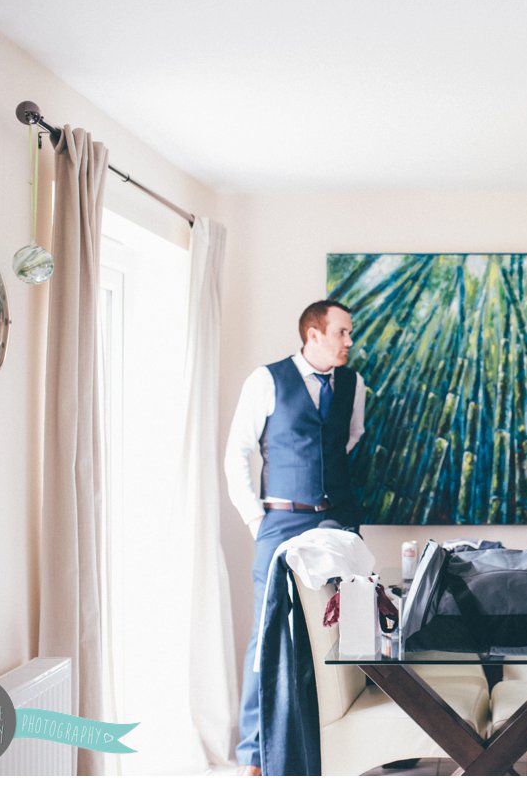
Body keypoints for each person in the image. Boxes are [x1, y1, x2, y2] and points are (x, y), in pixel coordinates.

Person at [224, 299, 366, 776]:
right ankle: (254, 754)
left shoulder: (353, 384)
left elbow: (348, 438)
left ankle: (334, 741)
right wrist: (254, 519)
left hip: (338, 522)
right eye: (342, 332)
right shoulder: (266, 380)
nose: (349, 341)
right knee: (267, 635)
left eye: (349, 333)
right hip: (281, 524)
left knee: (349, 629)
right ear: (314, 333)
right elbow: (237, 453)